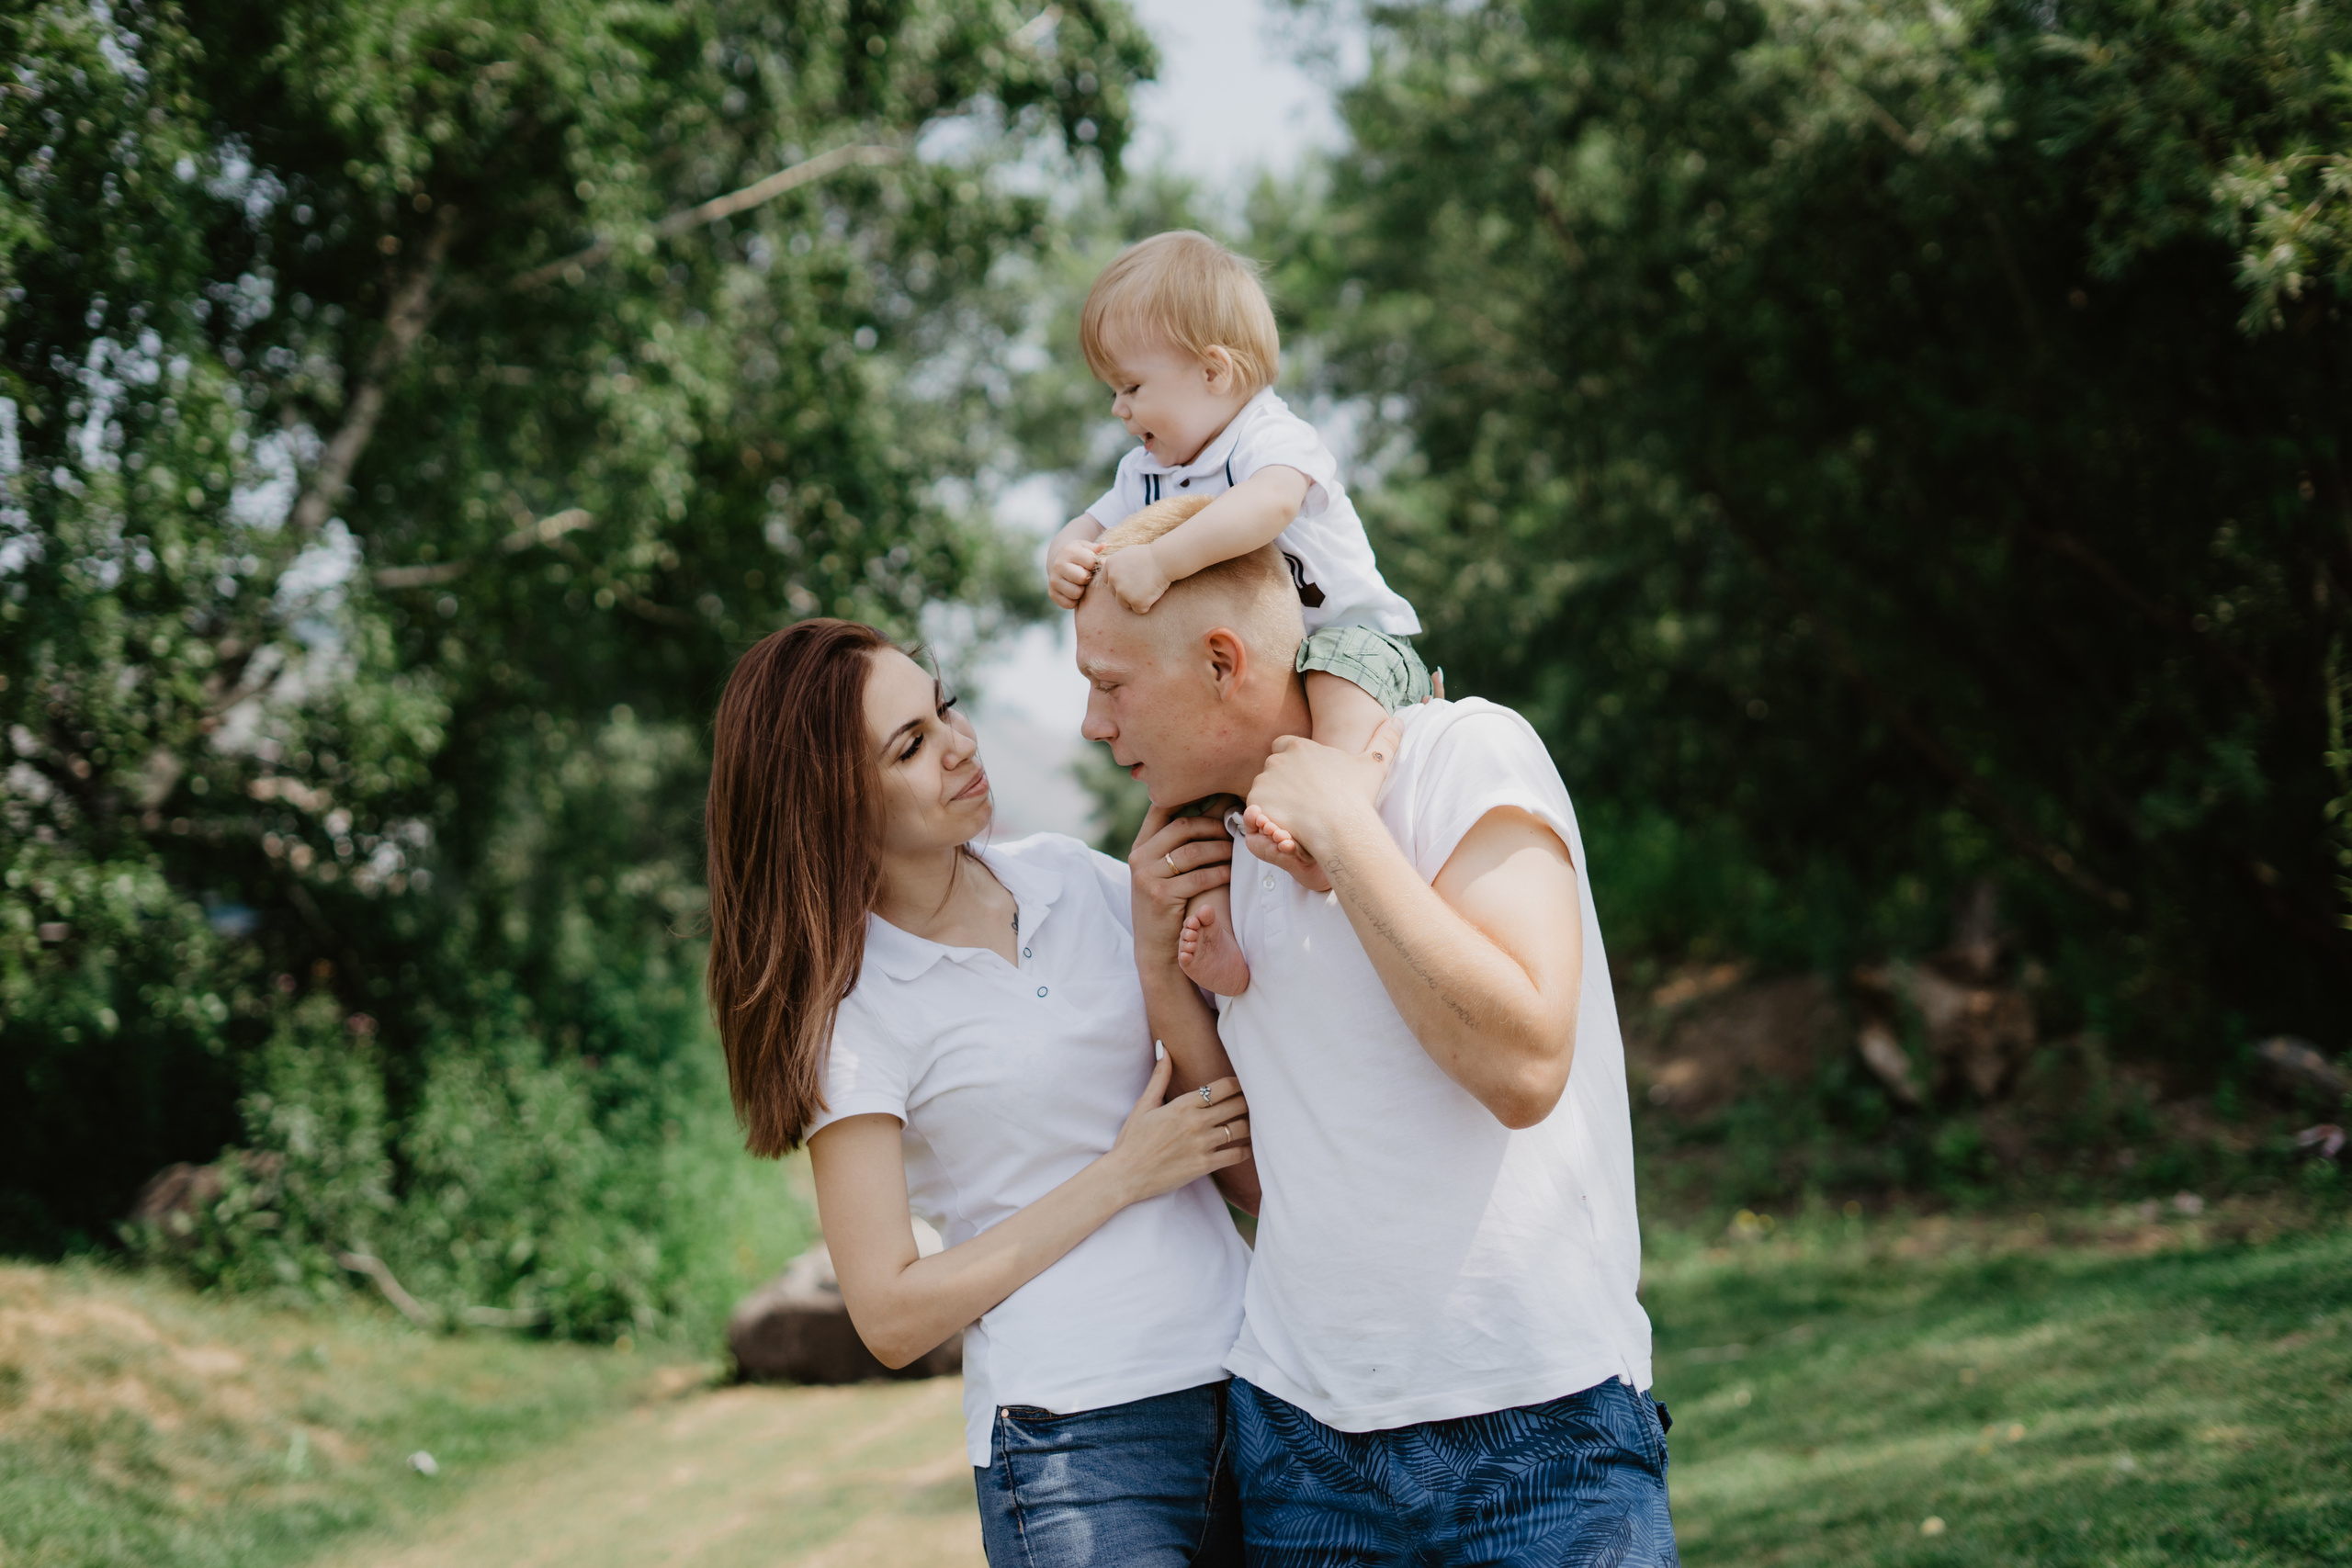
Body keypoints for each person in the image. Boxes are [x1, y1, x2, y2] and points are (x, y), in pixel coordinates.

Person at [1076, 513, 1680, 1565]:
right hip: (1304, 1452)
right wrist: (1157, 968)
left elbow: (1524, 1064)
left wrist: (1345, 830)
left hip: (1538, 1427)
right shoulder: (1222, 852)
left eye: (1111, 684)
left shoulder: (1463, 752)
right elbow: (1266, 1182)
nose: (1090, 722)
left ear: (1223, 663)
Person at [703, 617, 1263, 1568]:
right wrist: (1121, 1175)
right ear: (834, 802)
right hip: (1077, 1447)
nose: (959, 746)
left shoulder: (1077, 882)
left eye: (943, 711)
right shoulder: (855, 1016)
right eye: (911, 746)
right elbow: (888, 1315)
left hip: (1254, 1386)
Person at [1044, 231, 1430, 999]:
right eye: (1112, 394)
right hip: (1261, 669)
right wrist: (1066, 551)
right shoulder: (1146, 469)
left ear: (1214, 370)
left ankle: (1337, 829)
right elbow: (1087, 522)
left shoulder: (1269, 436)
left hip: (1349, 638)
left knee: (1339, 712)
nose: (1120, 411)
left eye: (1130, 387)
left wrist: (1162, 559)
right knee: (1201, 805)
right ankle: (1219, 932)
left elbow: (1266, 508)